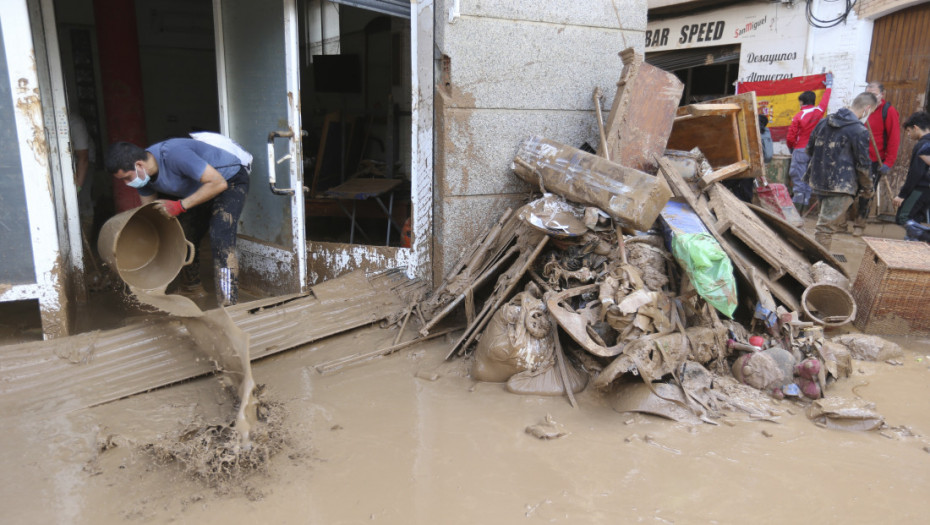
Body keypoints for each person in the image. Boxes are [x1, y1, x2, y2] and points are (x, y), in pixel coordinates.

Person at [104, 138, 251, 306]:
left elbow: (218, 183)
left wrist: (181, 205)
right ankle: (192, 287)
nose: (126, 183)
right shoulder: (144, 179)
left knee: (220, 237)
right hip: (198, 188)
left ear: (139, 165)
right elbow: (151, 213)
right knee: (184, 234)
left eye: (127, 177)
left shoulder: (174, 154)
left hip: (228, 181)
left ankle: (228, 301)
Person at [803, 91, 877, 250]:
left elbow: (809, 150)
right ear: (867, 109)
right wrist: (868, 188)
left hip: (819, 181)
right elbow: (863, 164)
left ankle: (818, 261)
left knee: (823, 225)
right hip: (841, 185)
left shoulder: (823, 122)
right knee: (824, 229)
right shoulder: (859, 130)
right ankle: (818, 265)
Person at [844, 81, 903, 236]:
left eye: (873, 93)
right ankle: (841, 222)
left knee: (866, 193)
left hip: (874, 160)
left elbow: (894, 139)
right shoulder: (860, 109)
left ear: (881, 95)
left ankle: (859, 224)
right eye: (867, 93)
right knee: (847, 190)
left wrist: (889, 162)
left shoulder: (888, 111)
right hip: (854, 157)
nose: (870, 96)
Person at [786, 72, 833, 212]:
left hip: (800, 150)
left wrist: (791, 149)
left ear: (801, 102)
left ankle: (796, 212)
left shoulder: (799, 116)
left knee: (798, 179)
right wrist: (829, 85)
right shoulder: (819, 111)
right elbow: (826, 99)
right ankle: (804, 208)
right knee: (808, 180)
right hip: (815, 151)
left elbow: (790, 137)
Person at [893, 111, 930, 224]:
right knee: (917, 217)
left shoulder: (922, 145)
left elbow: (916, 173)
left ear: (916, 128)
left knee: (903, 218)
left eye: (909, 131)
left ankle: (922, 238)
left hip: (921, 188)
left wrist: (902, 195)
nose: (908, 135)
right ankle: (915, 240)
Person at [70, 110, 96, 235]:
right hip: (66, 164)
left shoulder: (75, 124)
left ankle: (85, 248)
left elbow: (83, 159)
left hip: (84, 162)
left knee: (83, 200)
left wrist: (78, 189)